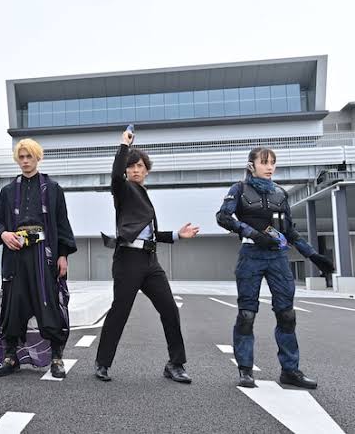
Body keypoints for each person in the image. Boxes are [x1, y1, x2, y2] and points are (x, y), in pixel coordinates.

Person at [216, 147, 334, 388]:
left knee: (287, 314)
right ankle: (245, 370)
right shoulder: (238, 189)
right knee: (247, 314)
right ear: (251, 166)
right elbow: (223, 217)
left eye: (272, 163)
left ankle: (290, 371)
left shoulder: (280, 193)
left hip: (278, 257)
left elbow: (289, 231)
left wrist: (313, 255)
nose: (270, 167)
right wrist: (253, 234)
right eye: (264, 162)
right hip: (251, 256)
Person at [94, 126, 199, 383]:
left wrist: (176, 235)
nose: (135, 170)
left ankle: (175, 364)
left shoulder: (144, 195)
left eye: (139, 166)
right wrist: (124, 146)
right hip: (128, 261)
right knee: (120, 311)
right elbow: (115, 176)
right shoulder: (123, 190)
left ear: (147, 170)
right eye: (130, 166)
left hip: (151, 262)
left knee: (170, 310)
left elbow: (148, 234)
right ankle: (102, 363)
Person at [0, 138, 77, 378]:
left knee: (48, 304)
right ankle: (10, 357)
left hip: (43, 255)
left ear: (38, 157)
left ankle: (56, 357)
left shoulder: (53, 188)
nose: (25, 161)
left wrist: (63, 255)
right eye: (21, 157)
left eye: (29, 156)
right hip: (16, 255)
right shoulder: (7, 191)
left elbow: (62, 223)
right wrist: (3, 234)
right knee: (13, 306)